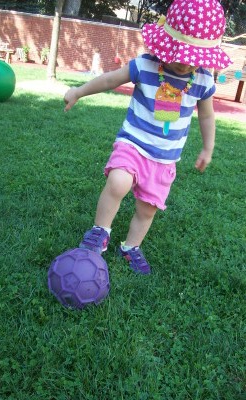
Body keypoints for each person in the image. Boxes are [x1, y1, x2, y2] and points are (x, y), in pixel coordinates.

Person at [64, 0, 232, 274]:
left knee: (147, 209)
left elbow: (206, 116)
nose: (184, 62)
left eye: (193, 58)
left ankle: (131, 247)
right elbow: (110, 80)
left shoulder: (202, 81)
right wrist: (78, 91)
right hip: (133, 142)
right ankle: (99, 231)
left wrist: (208, 148)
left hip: (164, 159)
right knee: (118, 181)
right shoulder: (145, 65)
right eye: (179, 54)